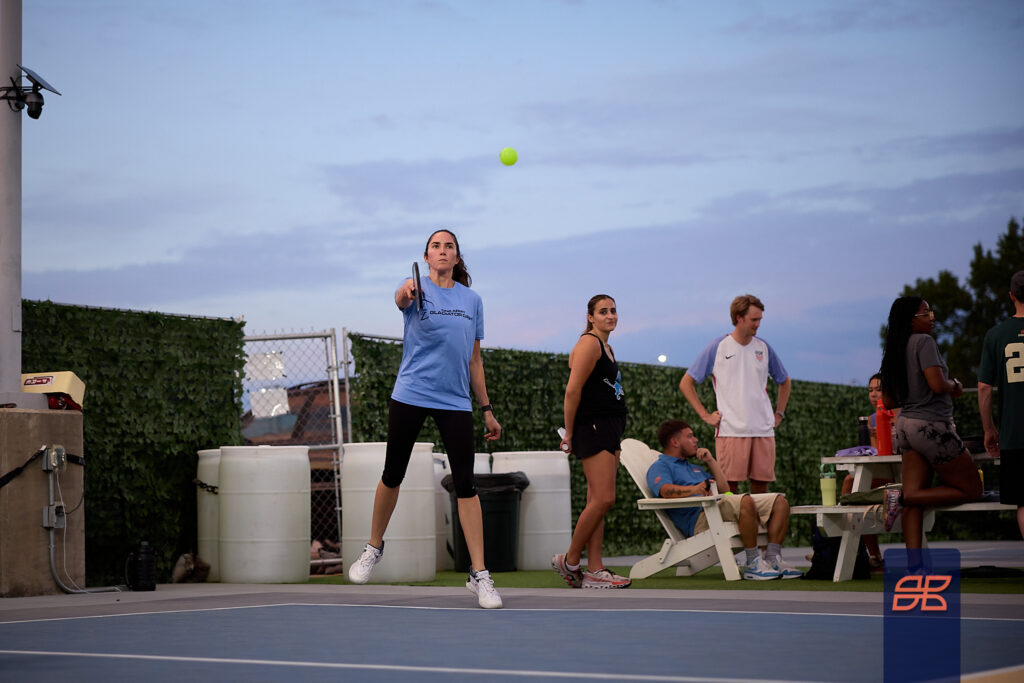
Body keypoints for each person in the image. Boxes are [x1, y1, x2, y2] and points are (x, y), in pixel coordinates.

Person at [347, 229, 504, 609]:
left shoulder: (472, 300)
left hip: (455, 401)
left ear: (456, 257)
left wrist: (486, 409)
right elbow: (400, 296)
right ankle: (373, 547)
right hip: (412, 393)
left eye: (449, 246)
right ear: (427, 256)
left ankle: (479, 574)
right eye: (436, 246)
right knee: (393, 473)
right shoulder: (414, 288)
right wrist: (407, 291)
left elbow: (475, 360)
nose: (443, 250)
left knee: (466, 485)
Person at [879, 296, 982, 555]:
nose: (932, 318)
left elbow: (889, 401)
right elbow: (937, 384)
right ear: (911, 320)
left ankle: (915, 567)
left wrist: (913, 393)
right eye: (926, 314)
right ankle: (902, 496)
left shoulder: (893, 349)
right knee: (972, 489)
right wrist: (955, 385)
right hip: (931, 427)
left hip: (905, 427)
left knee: (916, 497)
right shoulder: (923, 342)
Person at [647, 420, 802, 580]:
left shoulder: (693, 467)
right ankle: (753, 564)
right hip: (699, 520)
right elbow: (665, 490)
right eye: (690, 436)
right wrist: (694, 490)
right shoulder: (660, 466)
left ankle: (773, 559)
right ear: (675, 442)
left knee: (779, 502)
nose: (696, 440)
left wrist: (711, 461)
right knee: (745, 501)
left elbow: (724, 490)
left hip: (716, 510)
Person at [552, 294, 632, 589]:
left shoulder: (607, 346)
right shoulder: (589, 343)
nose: (610, 316)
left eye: (613, 310)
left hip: (609, 429)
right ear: (590, 317)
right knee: (603, 499)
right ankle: (570, 560)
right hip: (593, 427)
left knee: (597, 501)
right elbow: (572, 391)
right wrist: (569, 433)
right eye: (603, 311)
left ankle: (595, 569)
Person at [679, 294, 791, 494]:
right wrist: (705, 415)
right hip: (731, 430)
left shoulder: (764, 347)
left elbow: (785, 381)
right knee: (728, 490)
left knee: (761, 492)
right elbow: (686, 383)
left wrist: (779, 414)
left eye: (760, 319)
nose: (758, 324)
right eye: (754, 319)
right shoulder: (718, 347)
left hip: (763, 430)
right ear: (739, 318)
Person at [978, 270, 1024, 538]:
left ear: (1011, 296)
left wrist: (989, 429)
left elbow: (984, 388)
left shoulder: (996, 335)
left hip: (1015, 435)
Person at [840, 373, 897, 569]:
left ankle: (844, 545)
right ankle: (871, 555)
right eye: (870, 390)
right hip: (879, 473)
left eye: (878, 389)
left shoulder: (901, 415)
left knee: (852, 484)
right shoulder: (871, 420)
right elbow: (873, 454)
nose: (873, 394)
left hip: (899, 475)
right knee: (853, 484)